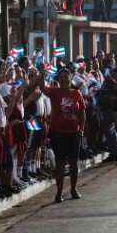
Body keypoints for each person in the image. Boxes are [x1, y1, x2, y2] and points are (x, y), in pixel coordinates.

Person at [41, 68, 87, 202]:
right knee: (60, 163)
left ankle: (73, 189)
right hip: (58, 133)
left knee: (73, 162)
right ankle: (59, 192)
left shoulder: (77, 94)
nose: (63, 80)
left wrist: (81, 130)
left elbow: (82, 113)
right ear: (58, 80)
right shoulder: (55, 92)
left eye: (66, 77)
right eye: (61, 77)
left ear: (70, 79)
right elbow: (43, 88)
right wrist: (41, 75)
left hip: (74, 133)